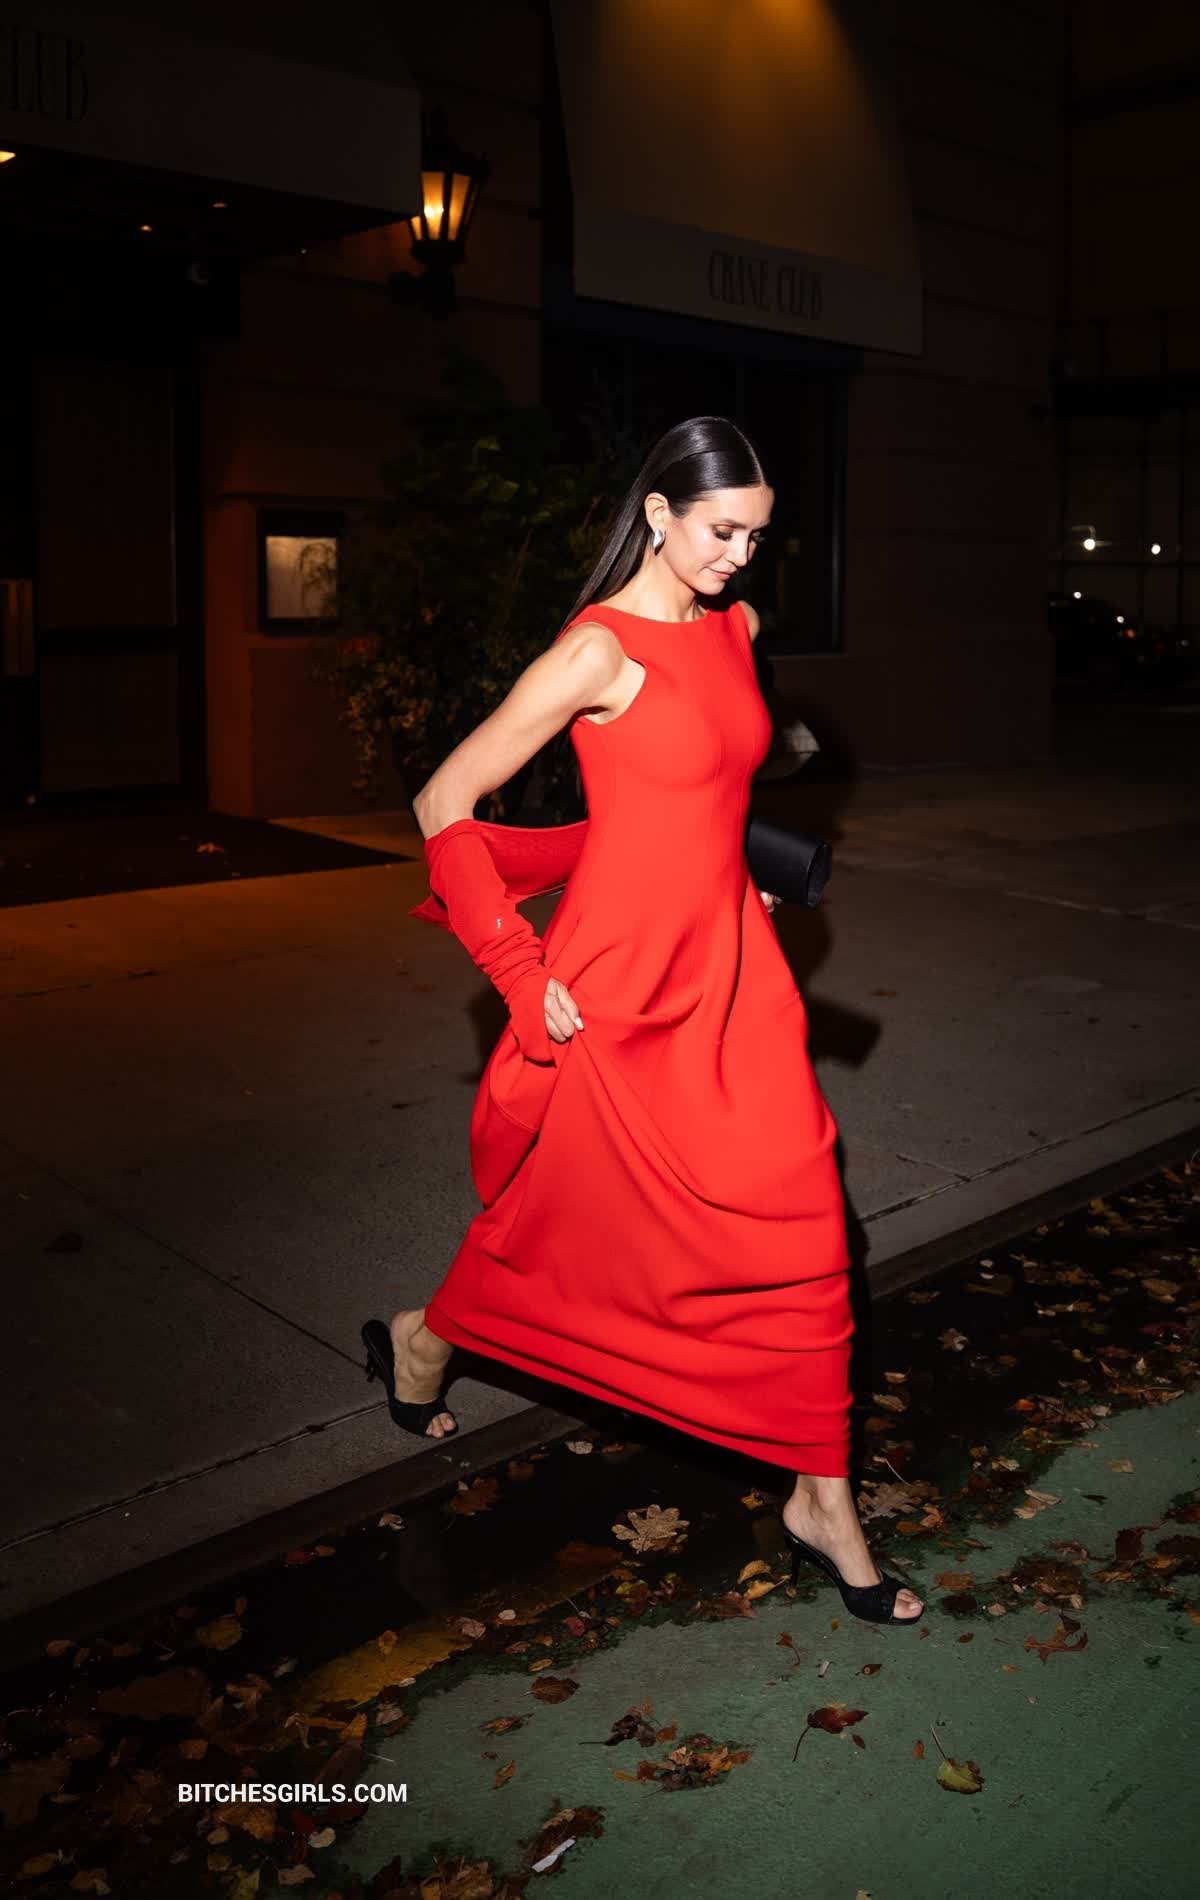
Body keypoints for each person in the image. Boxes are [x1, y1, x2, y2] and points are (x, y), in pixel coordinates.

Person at [361, 417, 923, 1625]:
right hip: (613, 984)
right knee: (572, 1229)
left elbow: (708, 780)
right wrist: (515, 967)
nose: (739, 558)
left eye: (757, 537)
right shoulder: (593, 653)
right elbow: (443, 799)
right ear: (659, 512)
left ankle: (820, 1495)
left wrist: (741, 870)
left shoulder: (738, 626)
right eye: (721, 531)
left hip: (731, 965)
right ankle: (425, 1337)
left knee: (803, 1206)